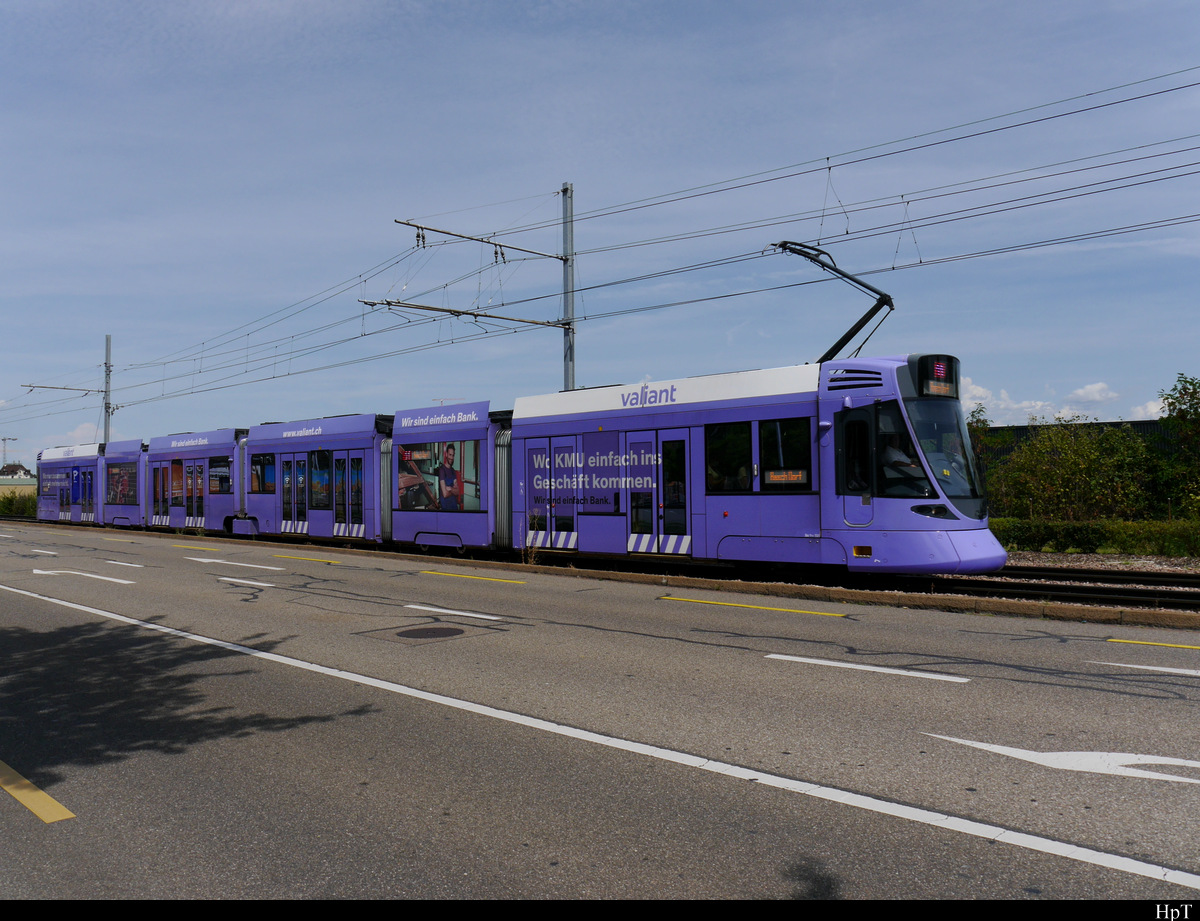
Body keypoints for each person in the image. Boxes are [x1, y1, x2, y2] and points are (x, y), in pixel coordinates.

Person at [438, 442, 459, 511]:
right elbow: (445, 494)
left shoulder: (453, 471)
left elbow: (457, 492)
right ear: (446, 454)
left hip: (454, 505)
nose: (451, 458)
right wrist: (453, 490)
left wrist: (450, 488)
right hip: (446, 506)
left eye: (453, 455)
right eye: (450, 455)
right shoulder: (442, 470)